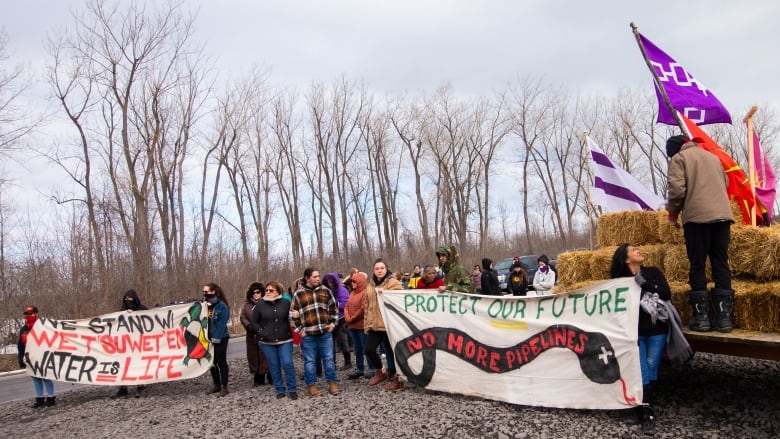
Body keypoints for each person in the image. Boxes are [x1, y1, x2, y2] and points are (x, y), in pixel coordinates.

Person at [666, 134, 735, 333]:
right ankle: (724, 320)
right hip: (722, 217)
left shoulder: (679, 159)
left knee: (697, 264)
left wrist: (673, 213)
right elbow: (726, 183)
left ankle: (701, 318)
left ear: (675, 150)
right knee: (720, 262)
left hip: (697, 218)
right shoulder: (712, 157)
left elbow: (677, 190)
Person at [610, 243, 672, 435]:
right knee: (642, 370)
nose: (639, 251)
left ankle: (642, 404)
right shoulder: (619, 282)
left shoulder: (652, 272)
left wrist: (643, 282)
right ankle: (646, 411)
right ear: (627, 259)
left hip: (656, 330)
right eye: (633, 250)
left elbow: (666, 293)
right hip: (633, 334)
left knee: (651, 367)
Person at [291, 267, 341, 397]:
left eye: (318, 276)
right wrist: (300, 331)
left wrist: (333, 324)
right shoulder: (299, 294)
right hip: (308, 334)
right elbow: (292, 315)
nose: (318, 278)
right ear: (307, 278)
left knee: (329, 359)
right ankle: (311, 385)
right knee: (310, 361)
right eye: (314, 276)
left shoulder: (326, 291)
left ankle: (332, 383)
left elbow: (334, 309)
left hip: (325, 332)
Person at [249, 281, 298, 399]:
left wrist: (296, 315)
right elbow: (254, 323)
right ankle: (279, 389)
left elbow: (292, 317)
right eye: (266, 290)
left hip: (285, 339)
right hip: (267, 342)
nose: (268, 292)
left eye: (271, 290)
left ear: (278, 292)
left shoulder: (286, 303)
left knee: (287, 363)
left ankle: (292, 389)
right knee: (274, 365)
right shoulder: (260, 305)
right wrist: (262, 333)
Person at [364, 258, 404, 391]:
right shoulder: (370, 285)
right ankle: (380, 372)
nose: (379, 270)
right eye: (377, 268)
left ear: (386, 269)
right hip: (374, 325)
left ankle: (396, 379)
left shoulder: (393, 282)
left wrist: (386, 293)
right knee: (369, 350)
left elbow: (400, 299)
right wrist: (366, 323)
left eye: (382, 268)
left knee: (391, 351)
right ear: (373, 270)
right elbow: (366, 305)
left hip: (388, 324)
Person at [112, 289, 148, 398]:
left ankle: (140, 387)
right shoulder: (122, 311)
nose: (128, 300)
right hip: (125, 344)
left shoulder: (143, 309)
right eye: (126, 298)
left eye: (130, 298)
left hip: (139, 343)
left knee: (138, 364)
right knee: (122, 365)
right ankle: (122, 389)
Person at [18, 305, 56, 408]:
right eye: (26, 314)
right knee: (36, 378)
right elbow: (21, 345)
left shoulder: (43, 326)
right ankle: (39, 399)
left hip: (43, 356)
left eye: (30, 314)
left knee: (45, 377)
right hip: (30, 358)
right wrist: (20, 358)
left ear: (36, 314)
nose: (28, 316)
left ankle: (51, 398)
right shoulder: (24, 329)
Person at [240, 282, 270, 386]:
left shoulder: (267, 303)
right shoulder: (247, 305)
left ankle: (271, 376)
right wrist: (249, 326)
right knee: (254, 356)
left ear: (261, 292)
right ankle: (258, 378)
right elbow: (243, 317)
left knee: (267, 356)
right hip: (252, 335)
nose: (255, 294)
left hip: (265, 334)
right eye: (253, 292)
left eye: (258, 292)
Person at [203, 282, 230, 397]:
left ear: (213, 291)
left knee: (221, 362)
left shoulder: (221, 306)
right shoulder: (205, 305)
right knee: (211, 363)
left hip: (220, 338)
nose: (204, 293)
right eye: (203, 292)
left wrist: (215, 338)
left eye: (206, 291)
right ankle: (216, 384)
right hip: (207, 339)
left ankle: (224, 386)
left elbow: (221, 324)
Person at [322, 272, 352, 371]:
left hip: (340, 319)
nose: (329, 283)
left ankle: (348, 362)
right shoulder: (326, 290)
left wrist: (333, 304)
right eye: (328, 281)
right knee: (330, 343)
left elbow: (346, 304)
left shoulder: (342, 290)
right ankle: (332, 363)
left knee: (343, 340)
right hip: (329, 320)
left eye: (331, 281)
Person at [344, 272, 370, 380]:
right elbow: (346, 306)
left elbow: (363, 308)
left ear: (360, 282)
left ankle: (372, 368)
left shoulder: (365, 292)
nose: (352, 283)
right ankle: (360, 369)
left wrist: (352, 318)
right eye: (352, 281)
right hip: (352, 326)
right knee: (357, 349)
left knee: (366, 348)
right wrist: (347, 316)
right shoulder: (352, 293)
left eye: (354, 281)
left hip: (361, 325)